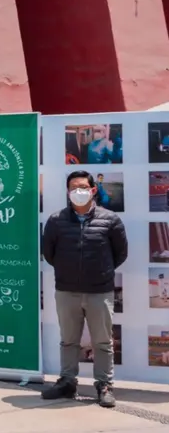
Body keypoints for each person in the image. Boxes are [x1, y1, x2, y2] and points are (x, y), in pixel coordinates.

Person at [42, 170, 128, 408]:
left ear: (92, 190)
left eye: (82, 187)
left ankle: (104, 385)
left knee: (102, 342)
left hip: (99, 291)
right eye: (73, 188)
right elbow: (49, 254)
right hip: (67, 290)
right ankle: (67, 382)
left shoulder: (110, 220)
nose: (78, 191)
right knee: (68, 341)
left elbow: (120, 253)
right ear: (68, 192)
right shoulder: (56, 220)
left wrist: (100, 273)